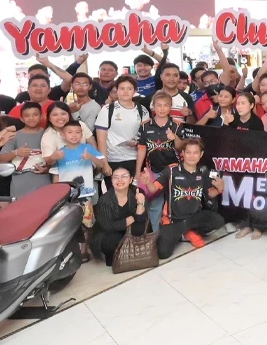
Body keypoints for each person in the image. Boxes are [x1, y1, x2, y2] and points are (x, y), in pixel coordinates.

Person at [153, 139, 226, 259]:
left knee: (218, 221)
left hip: (193, 217)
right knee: (163, 253)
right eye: (188, 152)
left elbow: (209, 194)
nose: (192, 156)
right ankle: (185, 232)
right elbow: (153, 189)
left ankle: (187, 231)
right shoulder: (171, 170)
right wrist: (147, 182)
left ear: (201, 154)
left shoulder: (203, 171)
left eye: (195, 153)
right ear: (182, 153)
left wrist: (220, 189)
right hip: (172, 221)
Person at [137, 91, 184, 232]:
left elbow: (181, 148)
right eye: (159, 105)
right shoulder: (145, 125)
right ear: (153, 106)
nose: (162, 109)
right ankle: (155, 235)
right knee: (155, 204)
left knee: (175, 203)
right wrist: (137, 172)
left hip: (173, 171)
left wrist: (175, 138)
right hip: (154, 171)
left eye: (166, 105)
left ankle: (176, 232)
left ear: (170, 107)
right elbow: (141, 149)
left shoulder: (177, 125)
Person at [95, 75, 148, 190]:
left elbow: (145, 139)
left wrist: (137, 143)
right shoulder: (107, 110)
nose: (125, 92)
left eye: (129, 88)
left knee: (134, 194)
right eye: (122, 88)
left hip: (134, 159)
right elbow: (101, 139)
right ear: (117, 90)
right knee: (114, 194)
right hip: (113, 160)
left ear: (135, 91)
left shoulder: (142, 110)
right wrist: (104, 163)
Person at [93, 168, 149, 267]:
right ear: (111, 181)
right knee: (111, 241)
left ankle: (134, 254)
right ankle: (115, 257)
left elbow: (140, 219)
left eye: (124, 176)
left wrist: (140, 203)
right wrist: (129, 220)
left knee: (140, 228)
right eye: (116, 177)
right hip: (110, 233)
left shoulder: (137, 192)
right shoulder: (105, 199)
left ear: (131, 179)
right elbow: (107, 226)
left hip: (130, 229)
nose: (120, 180)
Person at [0, 101, 51, 200]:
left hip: (44, 182)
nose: (31, 118)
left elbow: (57, 159)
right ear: (21, 119)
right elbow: (0, 159)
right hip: (20, 184)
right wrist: (16, 153)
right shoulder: (15, 136)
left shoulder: (49, 134)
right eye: (27, 115)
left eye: (35, 115)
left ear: (41, 116)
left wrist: (47, 169)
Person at [53, 120, 112, 199]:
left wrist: (90, 157)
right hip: (66, 195)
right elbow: (56, 175)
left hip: (86, 193)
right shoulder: (59, 153)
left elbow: (102, 165)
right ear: (63, 135)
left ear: (81, 135)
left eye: (77, 132)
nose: (74, 135)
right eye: (70, 132)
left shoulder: (88, 148)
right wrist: (56, 193)